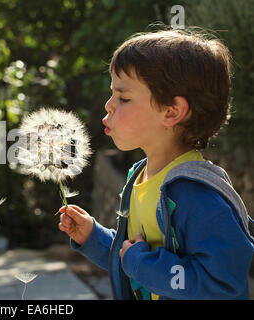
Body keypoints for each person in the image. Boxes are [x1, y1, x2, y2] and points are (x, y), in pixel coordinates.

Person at [58, 28, 254, 300]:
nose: (109, 105)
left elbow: (221, 285)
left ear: (171, 111)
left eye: (123, 98)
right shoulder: (138, 176)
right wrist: (94, 237)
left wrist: (141, 262)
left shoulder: (197, 195)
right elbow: (133, 258)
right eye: (112, 94)